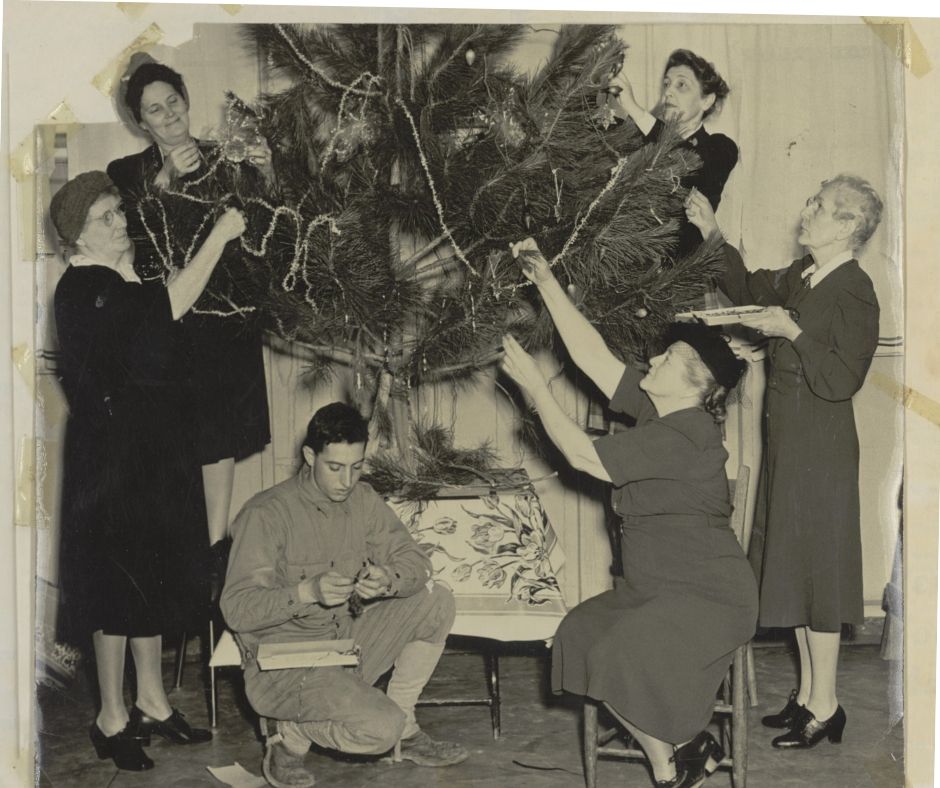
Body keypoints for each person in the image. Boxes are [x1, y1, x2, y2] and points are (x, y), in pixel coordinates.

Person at [500, 238, 758, 788]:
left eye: (669, 358)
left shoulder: (687, 433)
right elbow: (593, 358)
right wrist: (544, 279)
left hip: (706, 595)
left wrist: (533, 386)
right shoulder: (660, 409)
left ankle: (676, 759)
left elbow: (580, 455)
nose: (656, 358)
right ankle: (682, 753)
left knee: (617, 653)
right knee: (577, 637)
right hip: (650, 589)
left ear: (697, 385)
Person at [52, 171, 246, 770]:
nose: (120, 222)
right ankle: (111, 715)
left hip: (147, 453)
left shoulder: (117, 278)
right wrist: (221, 235)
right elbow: (170, 305)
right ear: (75, 239)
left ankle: (153, 702)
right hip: (111, 460)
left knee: (149, 575)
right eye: (105, 218)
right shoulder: (85, 285)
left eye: (118, 211)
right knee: (115, 585)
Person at [685, 174, 883, 748]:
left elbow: (842, 378)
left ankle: (827, 704)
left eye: (819, 207)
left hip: (820, 451)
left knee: (817, 574)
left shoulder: (854, 289)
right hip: (790, 446)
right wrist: (713, 233)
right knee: (794, 569)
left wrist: (789, 330)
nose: (806, 211)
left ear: (847, 226)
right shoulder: (803, 275)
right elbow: (749, 285)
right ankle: (804, 697)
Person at [220, 403, 469, 788]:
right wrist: (306, 592)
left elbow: (415, 561)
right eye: (335, 467)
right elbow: (237, 609)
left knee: (437, 602)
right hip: (285, 666)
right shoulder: (266, 513)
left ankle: (406, 724)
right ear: (309, 456)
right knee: (379, 729)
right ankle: (291, 734)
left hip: (344, 646)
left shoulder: (362, 499)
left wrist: (388, 578)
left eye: (356, 467)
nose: (346, 481)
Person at [107, 59, 273, 585]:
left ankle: (212, 560)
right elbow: (127, 242)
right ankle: (181, 575)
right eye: (154, 109)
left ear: (186, 98)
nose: (168, 114)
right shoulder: (126, 174)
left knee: (216, 445)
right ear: (141, 123)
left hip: (224, 331)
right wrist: (164, 179)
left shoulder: (227, 159)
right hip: (168, 331)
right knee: (172, 453)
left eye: (173, 101)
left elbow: (269, 233)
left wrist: (266, 172)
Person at [609, 49, 737, 256]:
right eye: (667, 84)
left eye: (681, 85)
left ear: (707, 101)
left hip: (678, 280)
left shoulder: (720, 148)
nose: (668, 92)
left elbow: (689, 162)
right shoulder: (644, 137)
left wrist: (634, 109)